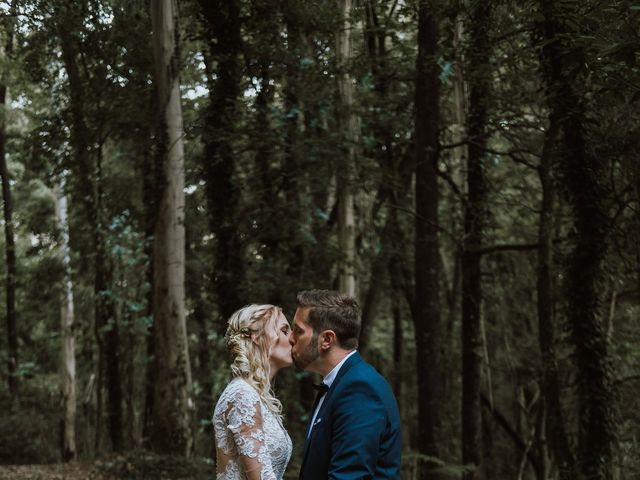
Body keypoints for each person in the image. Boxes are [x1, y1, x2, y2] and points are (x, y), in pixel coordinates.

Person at [290, 290, 402, 479]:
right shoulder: (339, 383)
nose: (291, 338)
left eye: (298, 331)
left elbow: (350, 476)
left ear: (326, 339)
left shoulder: (359, 389)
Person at [213, 304, 293, 480]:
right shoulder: (242, 395)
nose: (293, 338)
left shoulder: (256, 395)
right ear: (256, 337)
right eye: (284, 330)